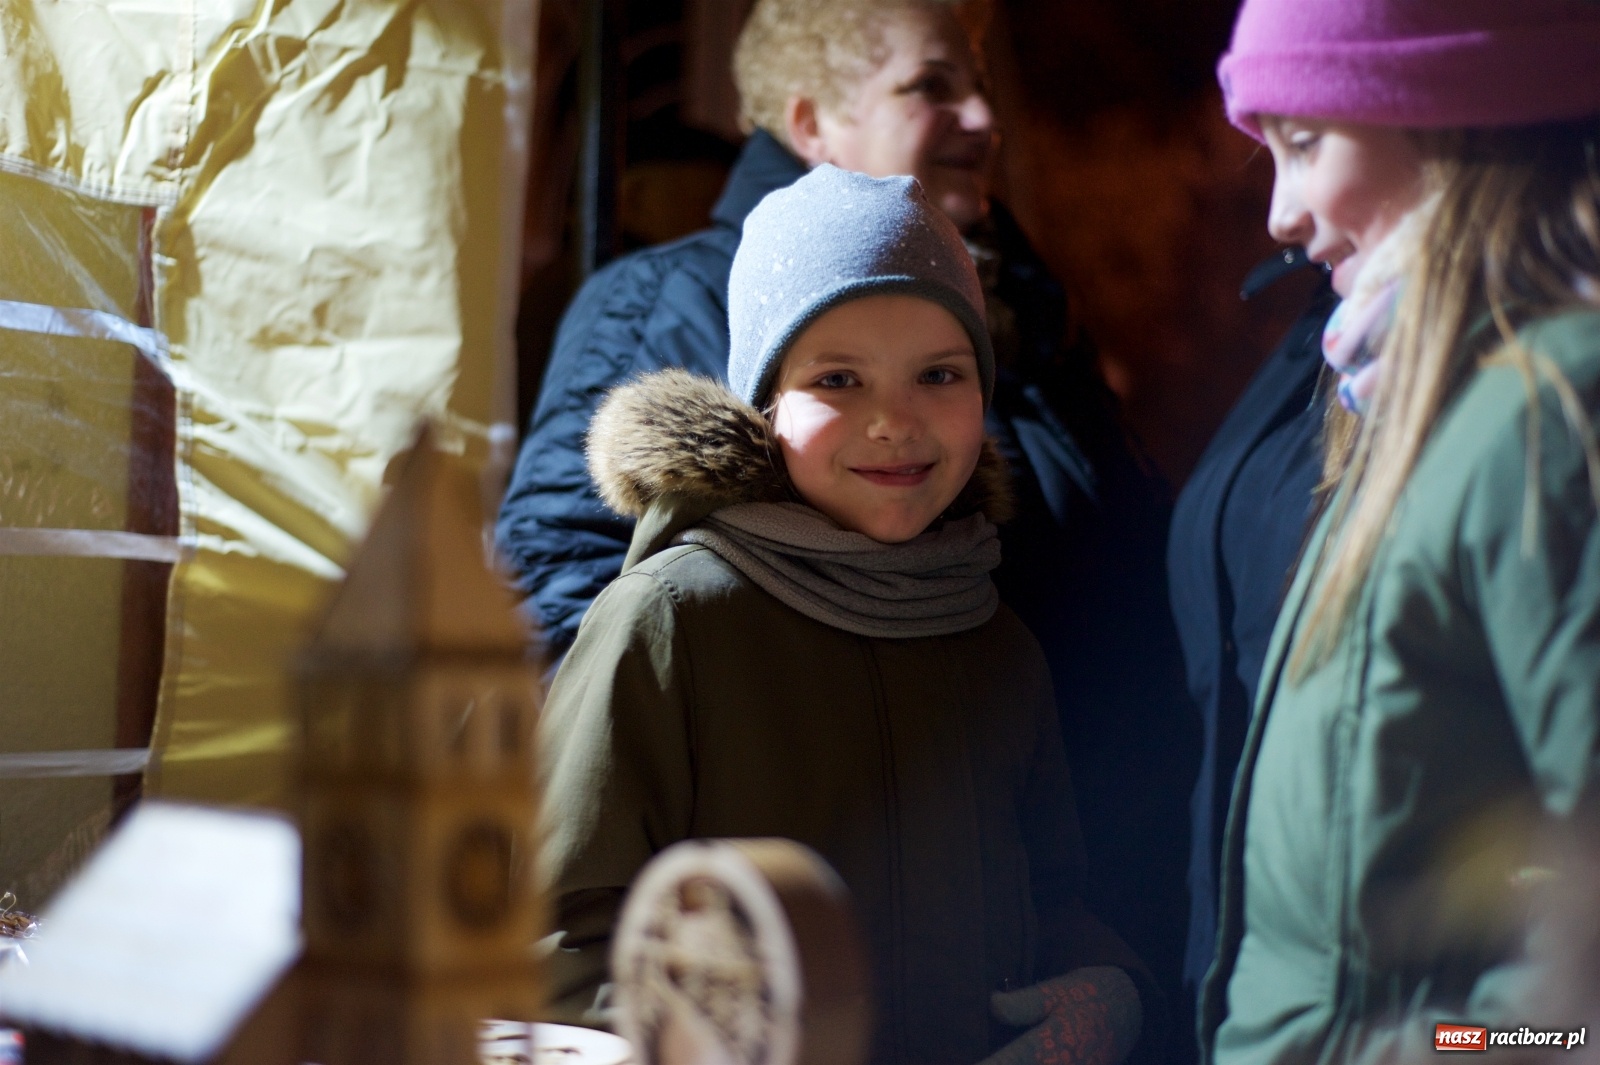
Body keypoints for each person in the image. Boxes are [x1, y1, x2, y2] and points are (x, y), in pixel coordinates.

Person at [497, 0, 1195, 1022]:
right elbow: (560, 931)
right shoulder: (674, 616)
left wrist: (1105, 985)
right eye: (931, 85)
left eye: (941, 376)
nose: (893, 423)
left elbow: (1044, 894)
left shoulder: (995, 632)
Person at [1200, 2, 1600, 1063]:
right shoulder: (1420, 406)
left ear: (1458, 118)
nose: (1280, 215)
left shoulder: (1551, 414)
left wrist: (1441, 1051)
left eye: (1303, 142)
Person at [1165, 256, 1334, 1057]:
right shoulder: (1326, 322)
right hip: (1251, 984)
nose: (1282, 218)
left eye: (1305, 147)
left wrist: (1477, 1038)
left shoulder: (1536, 382)